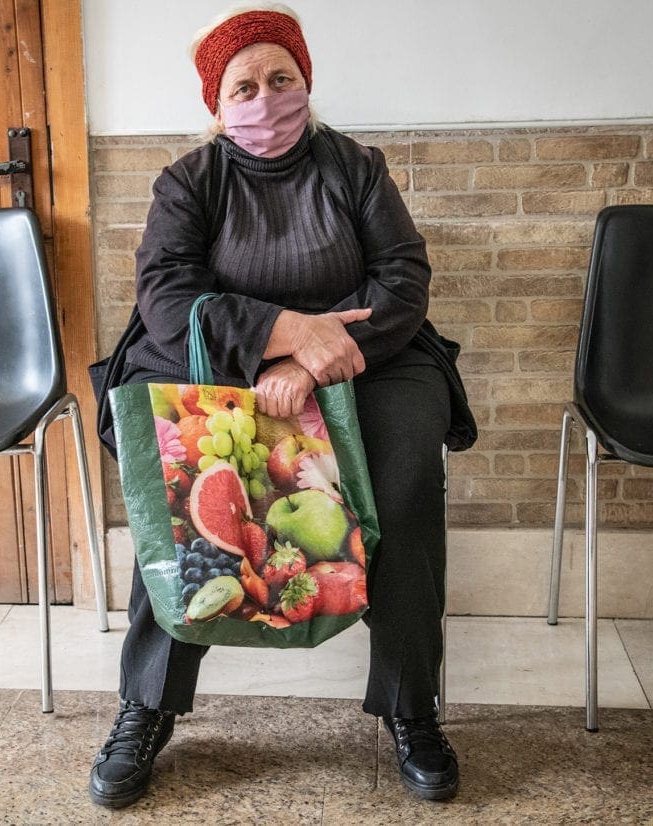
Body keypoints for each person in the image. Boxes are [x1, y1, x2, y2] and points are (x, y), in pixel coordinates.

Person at [89, 3, 475, 809]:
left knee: (402, 487)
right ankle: (148, 705)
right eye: (244, 86)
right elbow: (166, 298)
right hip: (215, 360)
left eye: (281, 78)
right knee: (179, 499)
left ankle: (412, 706)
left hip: (364, 360)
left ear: (306, 81)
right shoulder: (190, 181)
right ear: (216, 104)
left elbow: (403, 278)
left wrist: (314, 362)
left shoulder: (355, 167)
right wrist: (284, 333)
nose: (265, 98)